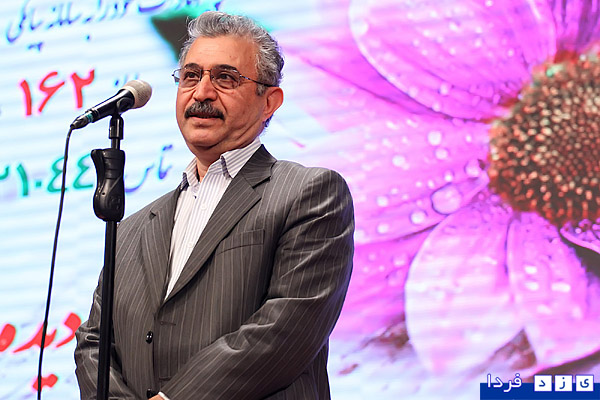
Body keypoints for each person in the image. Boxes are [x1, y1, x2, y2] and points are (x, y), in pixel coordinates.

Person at [74, 10, 354, 400]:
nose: (202, 92)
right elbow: (93, 341)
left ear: (269, 102)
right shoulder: (133, 227)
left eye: (225, 78)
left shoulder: (309, 193)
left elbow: (286, 329)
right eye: (190, 76)